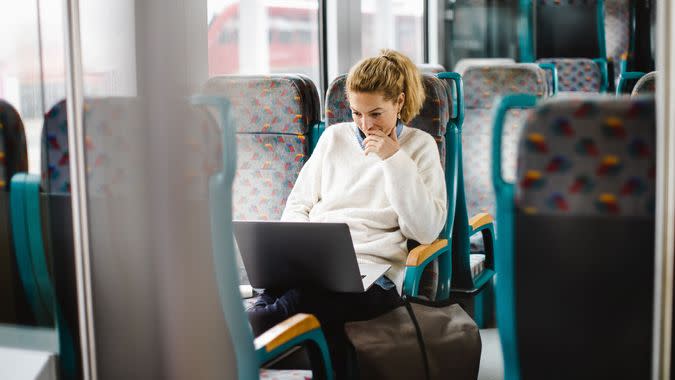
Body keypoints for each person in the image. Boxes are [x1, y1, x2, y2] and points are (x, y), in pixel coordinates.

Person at [247, 49, 447, 377]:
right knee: (275, 296)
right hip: (315, 266)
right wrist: (303, 249)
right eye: (356, 113)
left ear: (398, 102)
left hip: (374, 277)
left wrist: (394, 160)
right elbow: (299, 204)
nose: (366, 125)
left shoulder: (420, 148)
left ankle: (234, 341)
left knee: (290, 304)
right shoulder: (333, 139)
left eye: (376, 114)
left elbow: (424, 230)